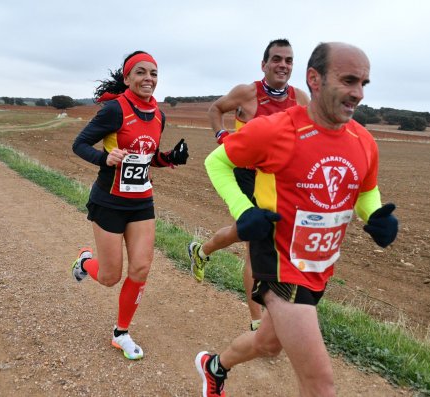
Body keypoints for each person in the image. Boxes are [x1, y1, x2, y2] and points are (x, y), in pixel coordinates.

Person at [194, 42, 399, 397]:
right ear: (315, 79)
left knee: (268, 344)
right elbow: (217, 162)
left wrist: (375, 213)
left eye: (364, 83)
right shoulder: (275, 129)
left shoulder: (363, 140)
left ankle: (214, 367)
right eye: (349, 80)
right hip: (279, 263)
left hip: (319, 264)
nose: (358, 93)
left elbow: (365, 189)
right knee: (320, 384)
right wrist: (244, 211)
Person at [70, 51, 189, 361]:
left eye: (153, 73)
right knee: (110, 277)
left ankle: (120, 333)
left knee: (141, 267)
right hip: (109, 201)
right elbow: (79, 144)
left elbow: (148, 159)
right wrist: (103, 157)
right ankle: (85, 263)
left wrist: (169, 158)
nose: (148, 78)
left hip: (141, 202)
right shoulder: (114, 110)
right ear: (127, 78)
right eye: (140, 72)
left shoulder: (159, 115)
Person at [188, 38, 309, 332]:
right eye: (277, 59)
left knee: (244, 233)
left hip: (279, 181)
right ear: (264, 64)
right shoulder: (247, 93)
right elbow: (215, 109)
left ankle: (201, 251)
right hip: (245, 175)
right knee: (256, 244)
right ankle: (258, 322)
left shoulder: (301, 99)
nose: (283, 65)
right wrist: (222, 138)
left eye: (289, 60)